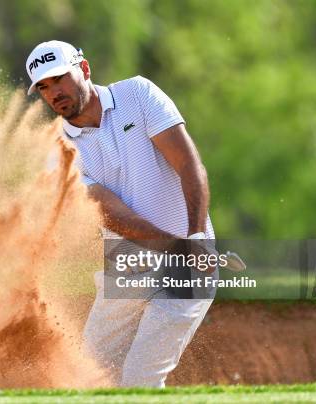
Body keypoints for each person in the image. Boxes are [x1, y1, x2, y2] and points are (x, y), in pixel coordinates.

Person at [25, 40, 216, 387]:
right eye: (44, 87)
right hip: (128, 264)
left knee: (140, 379)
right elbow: (114, 216)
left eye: (59, 79)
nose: (54, 93)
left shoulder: (138, 95)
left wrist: (197, 238)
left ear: (84, 70)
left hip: (191, 259)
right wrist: (176, 247)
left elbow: (189, 165)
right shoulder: (60, 153)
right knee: (91, 379)